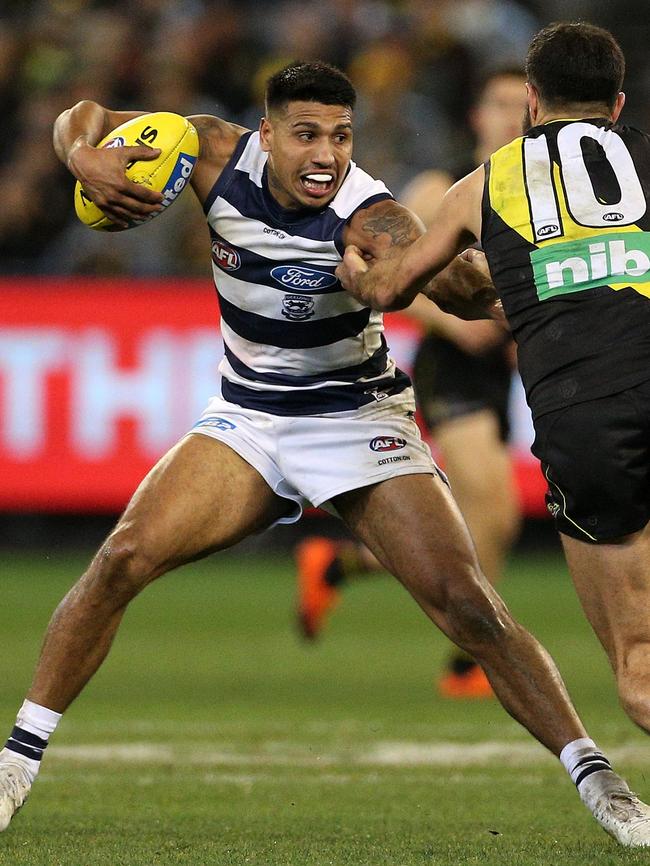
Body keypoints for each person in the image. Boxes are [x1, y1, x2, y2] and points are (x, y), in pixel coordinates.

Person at [0, 61, 646, 847]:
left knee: (469, 604)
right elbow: (85, 113)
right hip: (248, 418)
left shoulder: (367, 213)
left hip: (356, 417)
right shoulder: (206, 150)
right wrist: (82, 155)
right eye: (307, 134)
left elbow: (452, 288)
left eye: (341, 137)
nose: (327, 155)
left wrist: (477, 275)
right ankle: (16, 763)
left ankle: (601, 782)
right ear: (265, 134)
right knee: (120, 559)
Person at [338, 21, 650, 842]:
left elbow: (393, 287)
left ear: (533, 104)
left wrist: (352, 264)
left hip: (592, 428)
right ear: (618, 107)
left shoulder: (482, 185)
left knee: (640, 671)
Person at [296, 68, 527, 700]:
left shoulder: (534, 190)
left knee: (489, 523)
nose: (511, 117)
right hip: (452, 362)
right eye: (499, 104)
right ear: (477, 116)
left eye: (521, 106)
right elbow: (389, 272)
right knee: (496, 507)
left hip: (501, 366)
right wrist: (457, 323)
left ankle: (342, 565)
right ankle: (470, 663)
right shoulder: (439, 189)